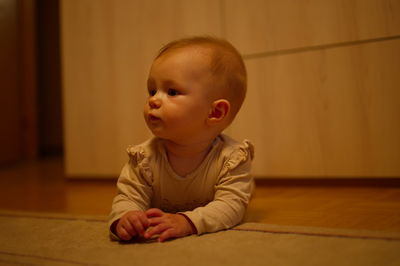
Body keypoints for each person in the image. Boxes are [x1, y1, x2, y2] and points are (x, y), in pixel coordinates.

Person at [109, 36, 254, 242]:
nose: (153, 100)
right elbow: (128, 197)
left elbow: (231, 206)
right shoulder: (143, 158)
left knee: (241, 193)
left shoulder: (232, 158)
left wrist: (187, 222)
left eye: (172, 91)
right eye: (152, 90)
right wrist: (125, 217)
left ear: (215, 112)